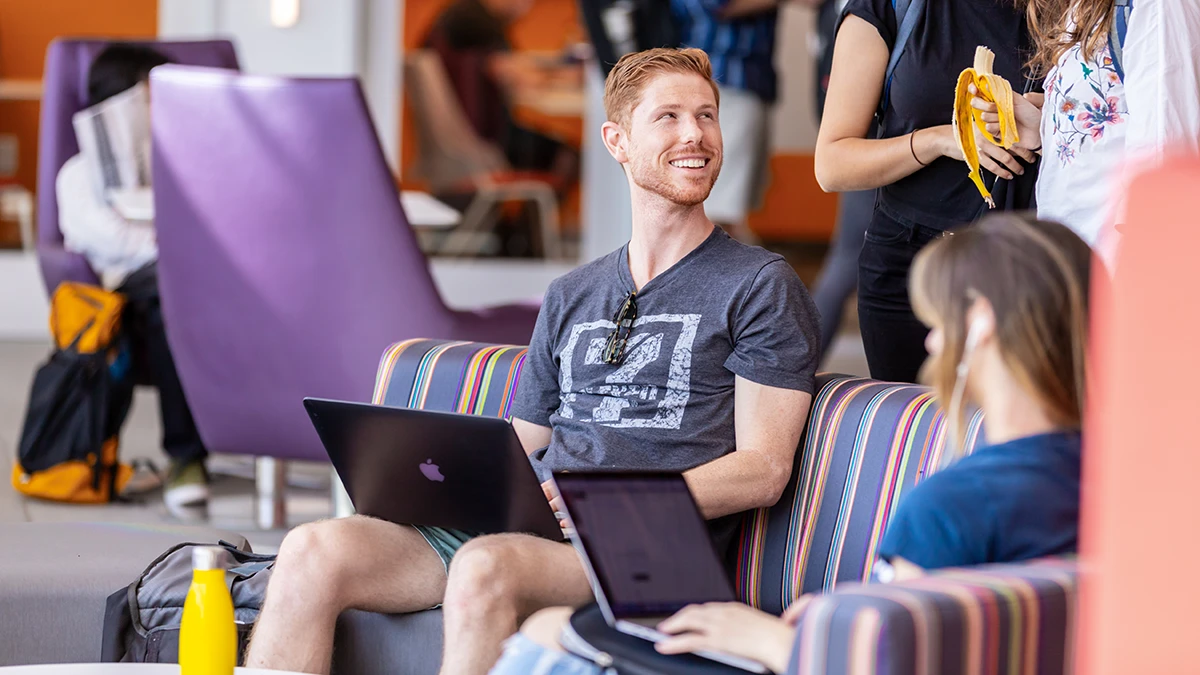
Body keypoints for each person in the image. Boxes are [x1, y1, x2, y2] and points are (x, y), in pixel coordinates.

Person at [244, 47, 820, 675]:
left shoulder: (759, 282)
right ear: (617, 141)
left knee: (485, 566)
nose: (695, 135)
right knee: (311, 549)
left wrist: (598, 501)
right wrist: (438, 481)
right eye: (670, 117)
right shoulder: (572, 293)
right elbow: (523, 443)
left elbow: (763, 469)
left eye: (706, 116)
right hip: (534, 526)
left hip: (644, 545)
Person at [489, 213, 1090, 675]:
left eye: (937, 326)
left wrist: (771, 639)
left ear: (980, 325)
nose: (933, 347)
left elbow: (885, 659)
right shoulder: (1124, 484)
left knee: (548, 637)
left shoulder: (953, 506)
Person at [814, 0, 1037, 383]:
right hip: (908, 269)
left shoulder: (1068, 11)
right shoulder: (891, 7)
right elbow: (832, 164)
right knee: (916, 434)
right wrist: (943, 140)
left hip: (1024, 267)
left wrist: (1049, 117)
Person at [56, 44, 210, 519]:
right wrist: (180, 242)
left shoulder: (191, 161)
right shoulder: (80, 174)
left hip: (204, 282)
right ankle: (186, 458)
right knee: (171, 294)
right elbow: (116, 240)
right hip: (131, 293)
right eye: (151, 94)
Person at [972, 0, 1200, 268]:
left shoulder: (1156, 5)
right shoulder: (1081, 9)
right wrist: (1045, 132)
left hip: (1117, 269)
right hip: (1075, 263)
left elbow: (1166, 157)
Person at [423, 0, 578, 181]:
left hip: (463, 135)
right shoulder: (476, 21)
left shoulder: (461, 13)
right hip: (485, 140)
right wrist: (560, 76)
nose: (527, 7)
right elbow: (514, 73)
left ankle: (529, 209)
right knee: (571, 155)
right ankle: (533, 209)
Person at [670, 0, 782, 243]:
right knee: (716, 211)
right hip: (723, 78)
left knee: (728, 209)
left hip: (748, 78)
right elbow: (717, 3)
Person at [806, 0, 875, 356]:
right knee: (846, 261)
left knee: (847, 261)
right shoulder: (858, 12)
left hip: (862, 142)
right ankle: (794, 368)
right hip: (870, 145)